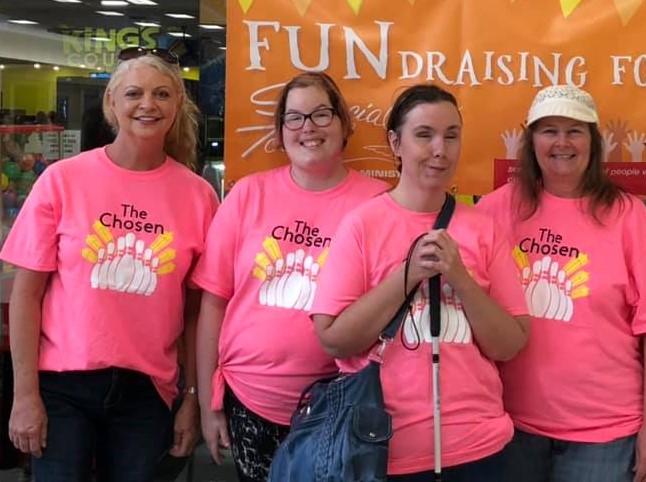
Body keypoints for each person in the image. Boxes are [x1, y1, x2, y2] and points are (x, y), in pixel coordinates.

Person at [0, 47, 217, 481]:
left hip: (148, 391)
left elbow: (197, 312)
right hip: (63, 384)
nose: (147, 104)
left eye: (162, 94)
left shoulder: (199, 196)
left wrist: (192, 398)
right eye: (134, 92)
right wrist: (24, 395)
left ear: (178, 105)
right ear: (111, 104)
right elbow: (27, 294)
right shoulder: (62, 181)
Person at [311, 84, 529, 481]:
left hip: (480, 447)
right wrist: (406, 274)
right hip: (382, 448)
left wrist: (461, 279)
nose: (439, 150)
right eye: (424, 135)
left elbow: (511, 344)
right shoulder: (362, 225)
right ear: (396, 143)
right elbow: (333, 340)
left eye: (451, 135)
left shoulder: (484, 229)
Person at [476, 84, 646, 482]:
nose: (562, 142)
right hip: (509, 425)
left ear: (594, 140)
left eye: (575, 130)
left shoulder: (627, 215)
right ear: (531, 140)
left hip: (605, 435)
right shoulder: (493, 211)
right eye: (549, 130)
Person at [192, 71, 389, 482]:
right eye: (294, 118)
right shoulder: (247, 194)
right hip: (250, 400)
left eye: (321, 114)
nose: (308, 128)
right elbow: (213, 303)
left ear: (344, 124)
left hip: (341, 404)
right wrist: (207, 405)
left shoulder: (377, 203)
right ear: (280, 132)